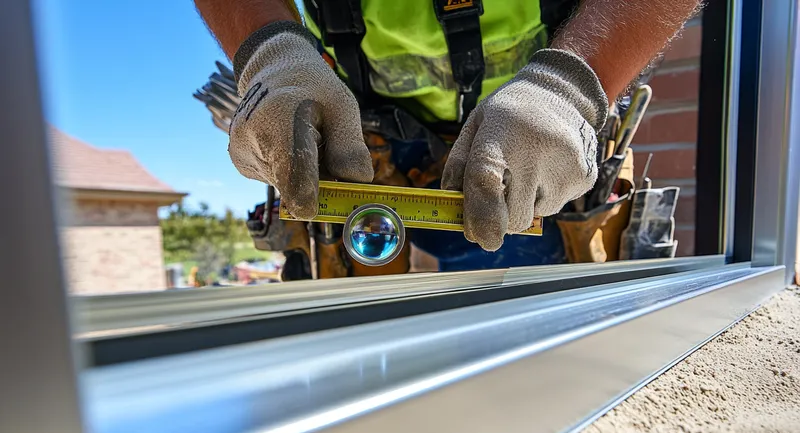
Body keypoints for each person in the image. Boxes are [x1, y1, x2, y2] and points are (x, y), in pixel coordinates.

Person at [194, 0, 700, 273]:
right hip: (363, 137)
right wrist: (271, 52)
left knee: (557, 341)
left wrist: (573, 84)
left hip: (539, 137)